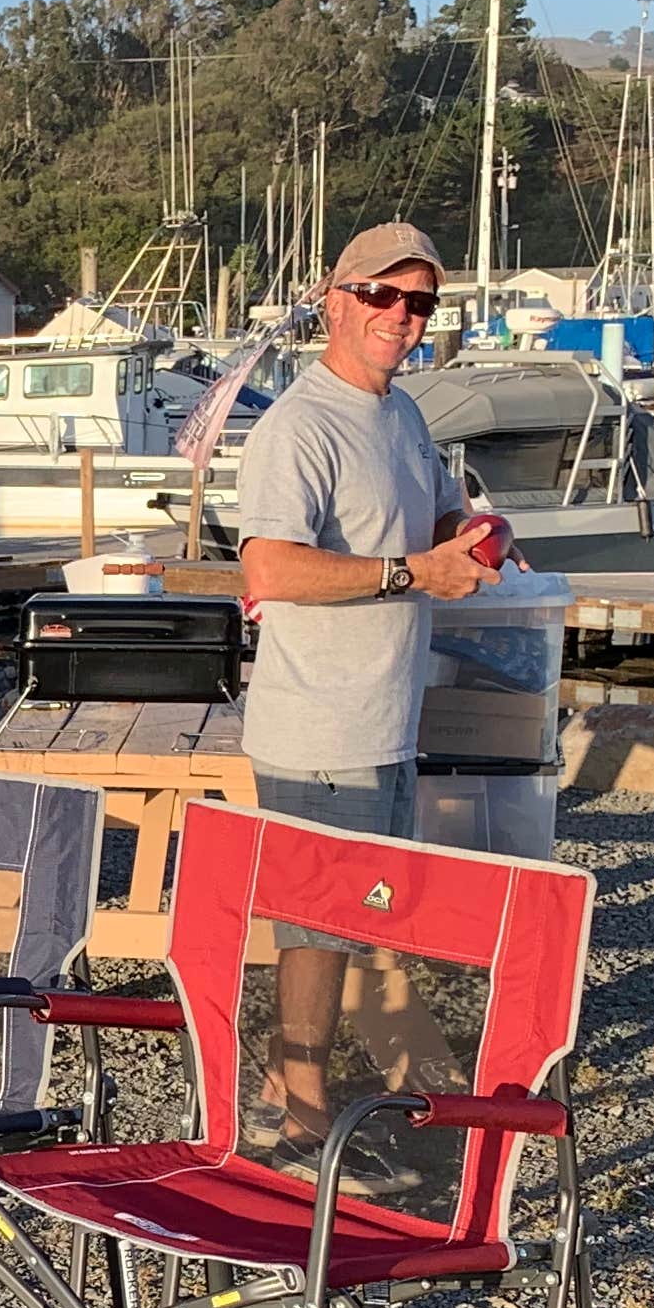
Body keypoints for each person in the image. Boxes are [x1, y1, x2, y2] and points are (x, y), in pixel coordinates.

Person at [232, 222, 501, 1155]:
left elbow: (427, 513)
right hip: (317, 721)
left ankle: (320, 1072)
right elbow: (267, 569)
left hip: (384, 712)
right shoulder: (299, 425)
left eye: (419, 301)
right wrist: (412, 575)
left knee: (352, 908)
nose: (401, 316)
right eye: (382, 296)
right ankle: (295, 1102)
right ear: (333, 301)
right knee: (313, 920)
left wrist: (468, 536)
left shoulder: (402, 413)